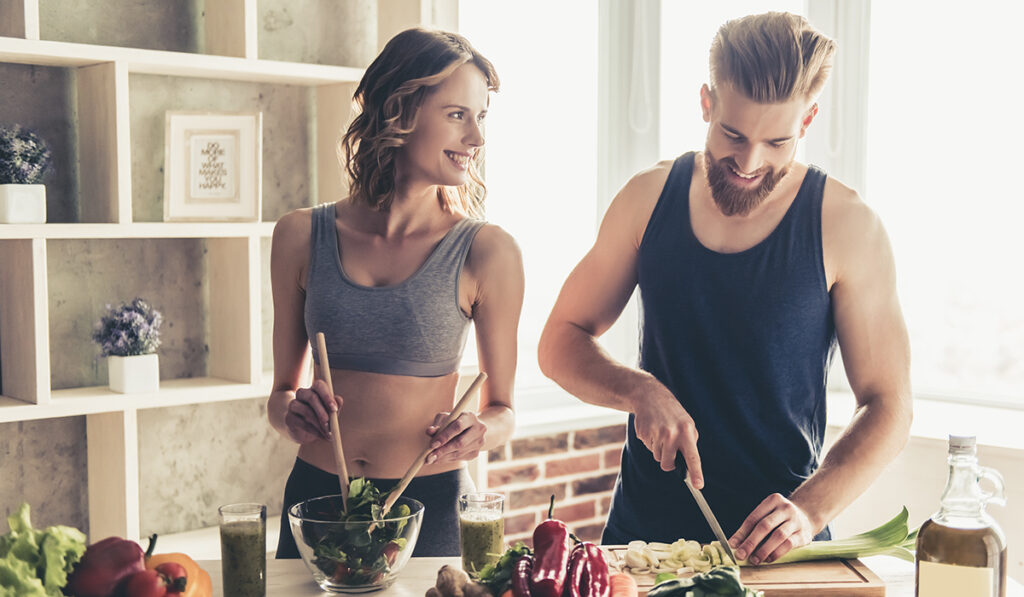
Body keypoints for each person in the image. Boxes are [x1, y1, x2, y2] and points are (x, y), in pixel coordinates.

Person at [538, 12, 912, 565]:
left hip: (775, 552)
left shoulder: (848, 225)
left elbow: (889, 406)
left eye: (776, 141)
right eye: (733, 135)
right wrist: (638, 390)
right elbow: (559, 341)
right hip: (641, 544)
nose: (749, 162)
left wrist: (810, 511)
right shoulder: (646, 198)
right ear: (706, 103)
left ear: (808, 120)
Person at [268, 27, 524, 558]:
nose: (476, 138)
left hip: (430, 507)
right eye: (458, 115)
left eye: (481, 117)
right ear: (398, 112)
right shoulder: (299, 236)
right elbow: (280, 397)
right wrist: (292, 413)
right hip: (316, 502)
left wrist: (479, 431)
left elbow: (502, 409)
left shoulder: (488, 251)